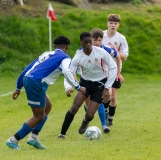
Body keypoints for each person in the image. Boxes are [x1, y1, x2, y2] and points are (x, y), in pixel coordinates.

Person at [6, 35, 86, 150]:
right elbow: (66, 71)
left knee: (48, 107)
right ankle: (13, 140)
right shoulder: (65, 57)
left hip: (31, 80)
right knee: (38, 116)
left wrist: (18, 87)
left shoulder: (46, 54)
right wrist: (78, 87)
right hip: (36, 83)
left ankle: (33, 137)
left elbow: (28, 68)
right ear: (66, 47)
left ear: (55, 47)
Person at [58, 32, 117, 139]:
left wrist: (107, 87)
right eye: (85, 43)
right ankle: (62, 134)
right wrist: (68, 87)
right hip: (85, 84)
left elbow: (113, 67)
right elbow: (69, 72)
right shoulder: (78, 57)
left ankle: (85, 122)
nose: (89, 45)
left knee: (90, 114)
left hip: (100, 85)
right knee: (74, 107)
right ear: (81, 43)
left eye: (90, 42)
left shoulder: (100, 52)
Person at [83, 27, 124, 133]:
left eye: (99, 40)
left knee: (105, 97)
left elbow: (117, 56)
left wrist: (118, 73)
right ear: (90, 39)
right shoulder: (85, 50)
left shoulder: (106, 49)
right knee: (88, 103)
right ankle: (87, 120)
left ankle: (104, 124)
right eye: (95, 40)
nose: (97, 42)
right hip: (88, 79)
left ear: (102, 40)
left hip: (102, 78)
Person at [102, 14, 129, 126]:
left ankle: (110, 119)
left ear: (118, 25)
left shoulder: (121, 38)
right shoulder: (101, 35)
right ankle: (105, 114)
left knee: (113, 97)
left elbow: (125, 57)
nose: (113, 25)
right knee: (106, 95)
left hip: (116, 69)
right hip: (103, 69)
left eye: (115, 23)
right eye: (111, 23)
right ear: (107, 23)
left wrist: (114, 50)